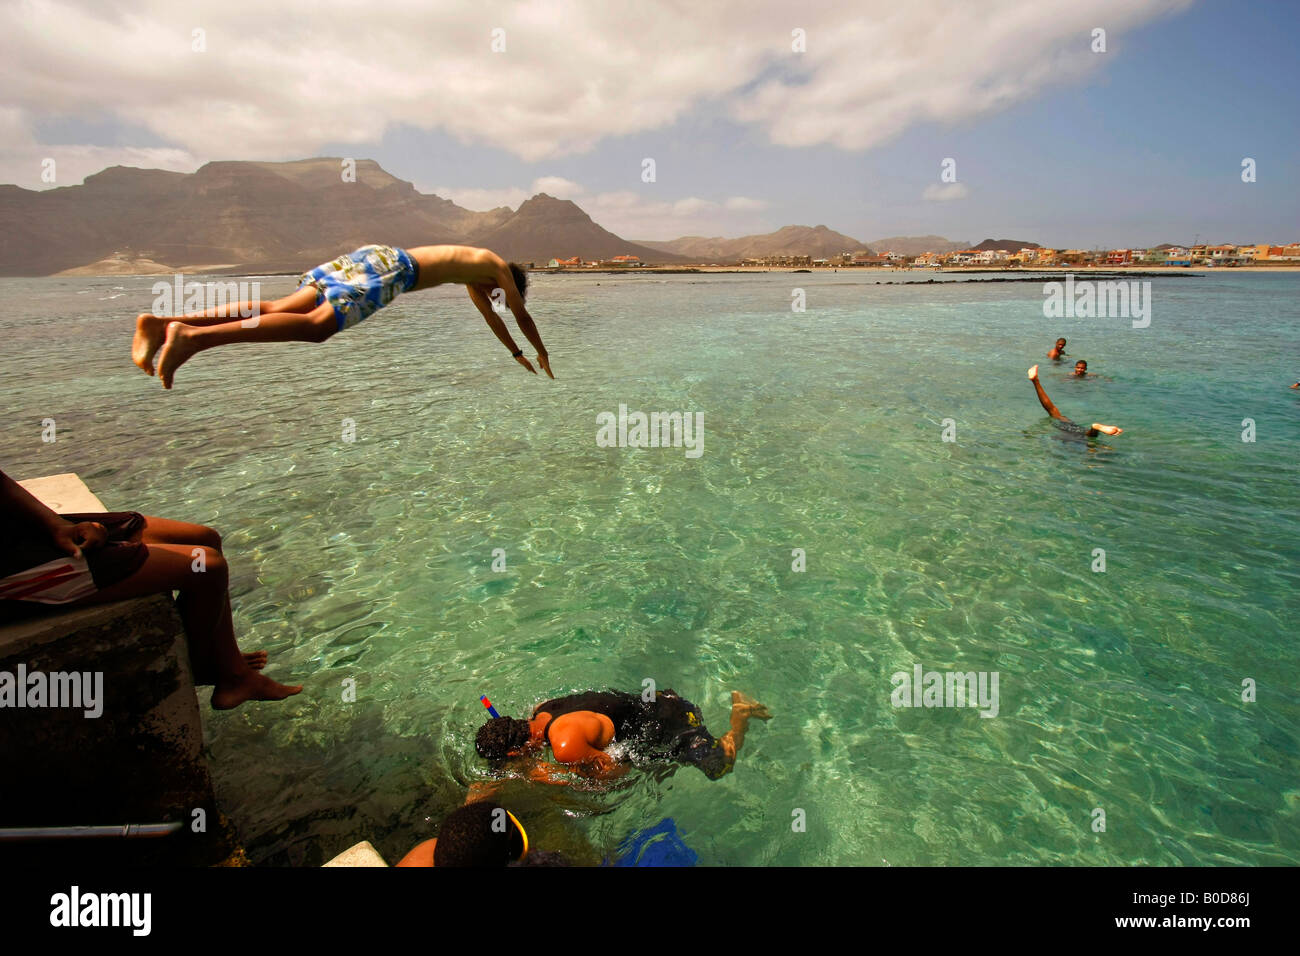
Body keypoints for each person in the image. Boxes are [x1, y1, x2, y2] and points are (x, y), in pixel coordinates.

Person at [0, 469, 301, 709]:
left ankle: (224, 662)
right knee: (207, 566)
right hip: (14, 568)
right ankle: (226, 672)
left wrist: (54, 523)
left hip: (23, 528)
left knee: (204, 538)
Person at [132, 244, 552, 389]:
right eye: (500, 292)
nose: (493, 297)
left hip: (373, 256)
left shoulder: (473, 275)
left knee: (281, 308)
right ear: (508, 280)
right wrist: (542, 352)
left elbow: (495, 320)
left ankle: (165, 323)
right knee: (317, 329)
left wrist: (515, 353)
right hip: (395, 271)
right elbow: (520, 315)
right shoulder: (496, 268)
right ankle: (193, 338)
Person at [475, 688, 771, 782]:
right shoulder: (542, 709)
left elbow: (618, 774)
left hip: (672, 723)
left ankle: (740, 716)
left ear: (514, 753)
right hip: (661, 699)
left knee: (720, 766)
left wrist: (547, 775)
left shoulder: (564, 745)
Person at [1027, 365, 1122, 437]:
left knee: (1053, 411)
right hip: (1074, 432)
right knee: (1053, 412)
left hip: (1075, 430)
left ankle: (1036, 381)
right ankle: (1094, 429)